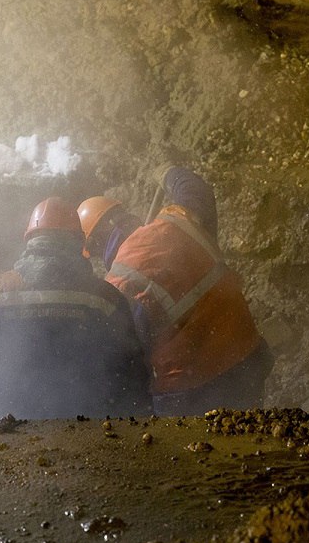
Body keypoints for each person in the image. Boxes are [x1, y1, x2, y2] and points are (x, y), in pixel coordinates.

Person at [78, 166, 273, 416]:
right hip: (248, 360)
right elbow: (196, 191)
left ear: (97, 243)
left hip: (191, 390)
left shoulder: (120, 283)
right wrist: (168, 172)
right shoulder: (176, 223)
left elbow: (131, 360)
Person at [0, 197, 150, 419]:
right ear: (80, 242)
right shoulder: (107, 299)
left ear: (29, 240)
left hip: (13, 441)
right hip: (90, 441)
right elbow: (134, 381)